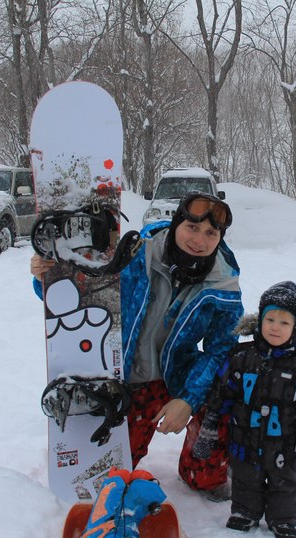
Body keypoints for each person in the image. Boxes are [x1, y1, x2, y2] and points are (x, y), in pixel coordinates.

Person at [30, 192, 243, 500]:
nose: (199, 240)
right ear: (176, 224)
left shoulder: (222, 284)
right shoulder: (132, 255)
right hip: (125, 378)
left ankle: (202, 472)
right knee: (112, 471)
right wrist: (46, 277)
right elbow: (77, 302)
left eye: (211, 233)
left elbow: (220, 348)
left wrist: (188, 399)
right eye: (192, 228)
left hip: (175, 376)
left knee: (228, 383)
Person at [191, 281, 296, 538]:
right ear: (260, 319)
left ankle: (283, 519)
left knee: (285, 485)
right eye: (270, 319)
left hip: (285, 447)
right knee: (245, 480)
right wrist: (209, 427)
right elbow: (222, 394)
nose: (275, 328)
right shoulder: (241, 358)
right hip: (245, 440)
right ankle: (245, 511)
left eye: (284, 323)